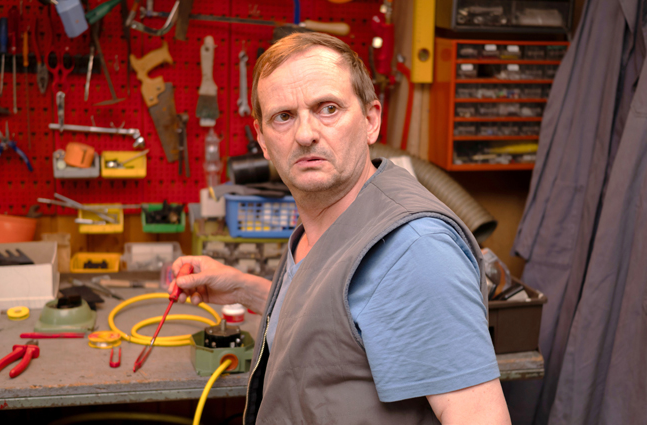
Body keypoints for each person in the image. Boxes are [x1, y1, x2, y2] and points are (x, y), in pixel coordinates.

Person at [172, 32, 510, 425]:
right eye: (283, 116)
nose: (305, 134)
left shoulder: (415, 251)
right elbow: (343, 319)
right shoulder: (329, 217)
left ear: (371, 121)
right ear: (262, 140)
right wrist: (243, 288)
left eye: (328, 108)